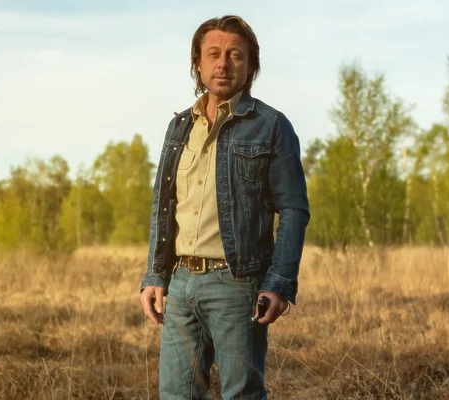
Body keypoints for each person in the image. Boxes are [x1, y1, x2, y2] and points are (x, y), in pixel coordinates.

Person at [139, 15, 309, 399]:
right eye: (213, 54)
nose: (223, 63)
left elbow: (294, 209)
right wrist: (154, 274)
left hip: (238, 283)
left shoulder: (271, 125)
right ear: (197, 64)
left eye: (235, 55)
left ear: (251, 66)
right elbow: (163, 205)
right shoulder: (179, 126)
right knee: (177, 395)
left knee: (241, 394)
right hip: (181, 283)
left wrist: (279, 283)